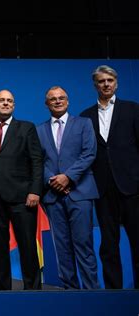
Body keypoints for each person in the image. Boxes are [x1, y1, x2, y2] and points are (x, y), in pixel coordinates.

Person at [80, 65, 139, 289]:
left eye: (110, 80)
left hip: (132, 187)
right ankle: (114, 292)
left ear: (116, 83)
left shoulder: (133, 109)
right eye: (101, 81)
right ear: (95, 85)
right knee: (108, 244)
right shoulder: (86, 116)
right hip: (103, 188)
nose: (106, 84)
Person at [0, 89, 43, 290]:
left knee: (27, 246)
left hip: (22, 197)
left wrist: (35, 190)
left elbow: (37, 161)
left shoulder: (26, 128)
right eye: (1, 100)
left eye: (9, 101)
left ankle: (32, 290)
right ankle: (1, 291)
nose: (5, 103)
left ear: (13, 105)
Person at [37, 86, 100, 289]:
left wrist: (68, 177)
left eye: (61, 98)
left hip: (80, 192)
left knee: (83, 244)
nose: (57, 101)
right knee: (62, 247)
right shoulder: (39, 130)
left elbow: (89, 153)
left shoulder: (84, 124)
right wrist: (53, 180)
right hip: (53, 196)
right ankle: (70, 292)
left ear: (68, 101)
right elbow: (38, 161)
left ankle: (92, 292)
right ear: (46, 104)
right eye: (52, 99)